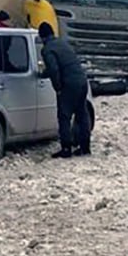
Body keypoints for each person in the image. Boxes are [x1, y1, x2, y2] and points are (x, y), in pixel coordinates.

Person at [39, 22, 91, 158]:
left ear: (42, 37)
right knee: (82, 114)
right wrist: (45, 73)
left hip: (69, 84)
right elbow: (63, 64)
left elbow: (54, 69)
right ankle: (85, 148)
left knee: (64, 116)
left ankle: (66, 149)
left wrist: (58, 88)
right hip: (82, 81)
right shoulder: (63, 43)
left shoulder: (47, 49)